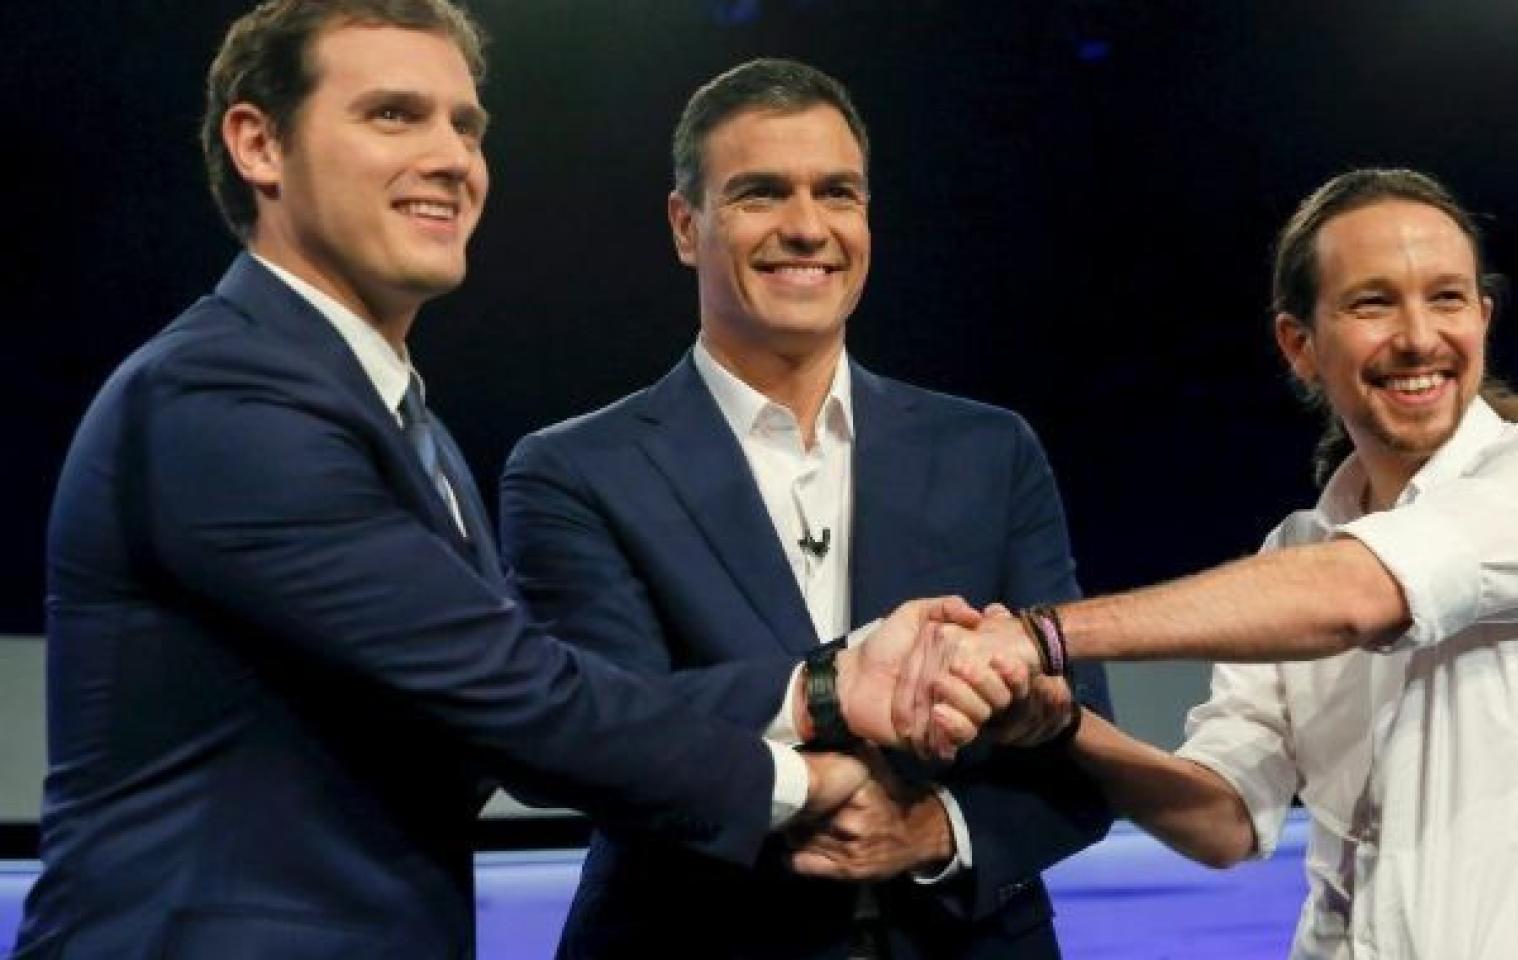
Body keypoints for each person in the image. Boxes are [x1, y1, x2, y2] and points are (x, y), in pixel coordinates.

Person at [11, 7, 1011, 958]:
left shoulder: (407, 427)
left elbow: (504, 696)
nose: (450, 157)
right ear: (258, 145)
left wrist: (822, 690)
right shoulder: (222, 399)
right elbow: (512, 696)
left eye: (465, 125)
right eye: (392, 114)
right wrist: (810, 755)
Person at [933, 169, 1518, 958]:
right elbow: (1225, 821)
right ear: (1300, 345)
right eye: (1373, 303)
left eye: (1447, 298)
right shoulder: (1293, 555)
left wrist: (1038, 637)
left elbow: (1358, 595)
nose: (1419, 337)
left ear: (1483, 320)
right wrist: (1066, 726)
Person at [501, 58, 1112, 960]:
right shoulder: (573, 471)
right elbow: (599, 729)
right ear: (686, 225)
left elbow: (1081, 738)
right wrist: (826, 709)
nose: (805, 227)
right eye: (759, 195)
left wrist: (938, 832)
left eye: (837, 193)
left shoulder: (990, 453)